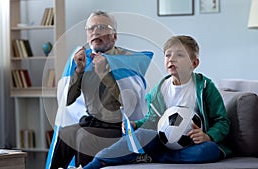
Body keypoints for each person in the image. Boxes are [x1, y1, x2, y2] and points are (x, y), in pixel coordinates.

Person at [81, 35, 231, 169]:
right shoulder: (159, 90)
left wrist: (208, 136)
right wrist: (136, 124)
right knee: (141, 135)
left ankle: (154, 156)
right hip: (164, 142)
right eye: (167, 55)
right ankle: (95, 163)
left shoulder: (205, 87)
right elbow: (152, 120)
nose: (171, 59)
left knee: (208, 150)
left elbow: (222, 121)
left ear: (194, 63)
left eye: (180, 55)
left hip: (193, 145)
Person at [48, 11, 149, 169]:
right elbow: (66, 101)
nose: (95, 31)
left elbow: (130, 103)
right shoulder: (84, 59)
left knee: (84, 136)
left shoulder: (127, 60)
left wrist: (105, 74)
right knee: (65, 133)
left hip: (119, 127)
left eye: (102, 27)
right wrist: (79, 72)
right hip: (93, 121)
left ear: (114, 36)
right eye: (91, 28)